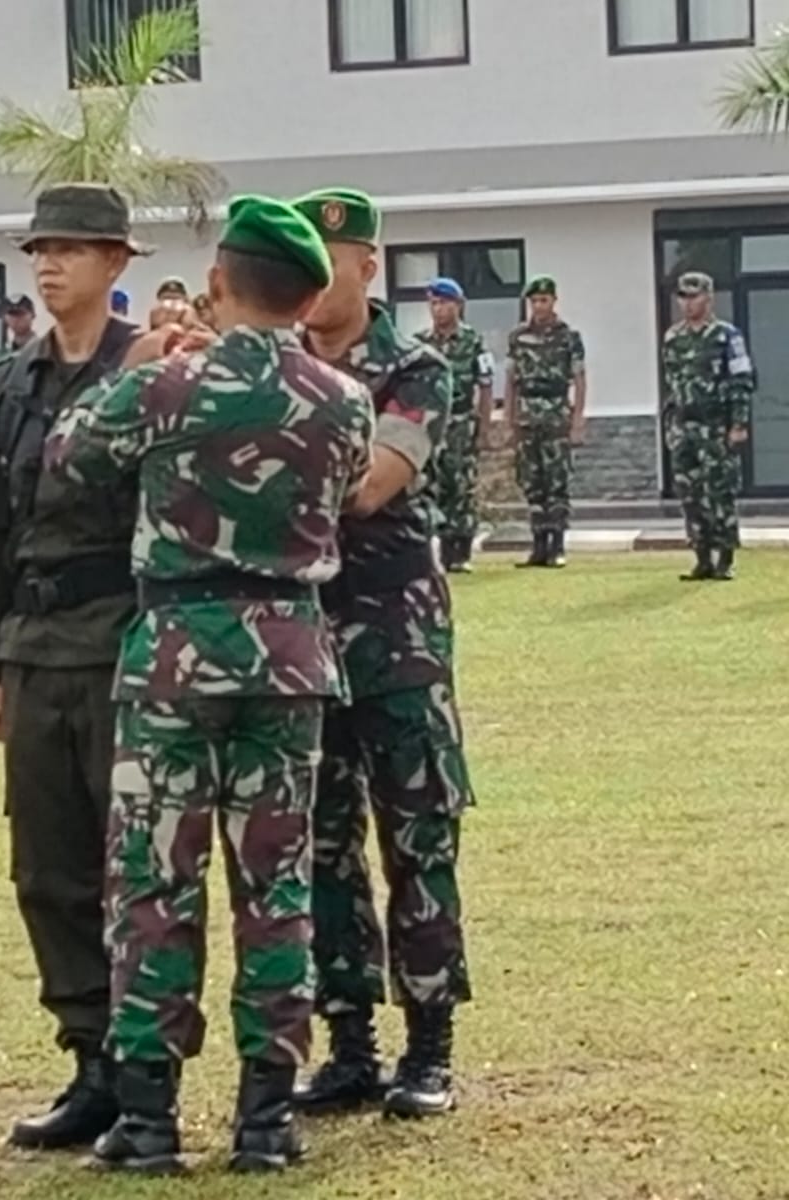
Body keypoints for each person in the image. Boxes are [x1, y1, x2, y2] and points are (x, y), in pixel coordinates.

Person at [47, 195, 374, 1174]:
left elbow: (68, 458)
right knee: (275, 894)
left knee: (154, 888)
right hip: (286, 659)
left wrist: (141, 360)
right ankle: (266, 1121)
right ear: (313, 296)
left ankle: (148, 1121)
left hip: (175, 663)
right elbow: (345, 491)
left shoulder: (165, 387)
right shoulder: (343, 400)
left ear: (219, 283)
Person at [0, 183, 145, 1151]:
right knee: (46, 868)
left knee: (135, 868)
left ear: (117, 264)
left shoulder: (152, 370)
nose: (50, 264)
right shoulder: (10, 381)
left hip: (125, 648)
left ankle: (146, 1070)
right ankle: (89, 1060)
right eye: (41, 249)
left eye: (72, 249)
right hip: (34, 653)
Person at [294, 188, 474, 1120]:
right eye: (306, 264)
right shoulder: (273, 364)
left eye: (339, 261)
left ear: (371, 266)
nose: (320, 281)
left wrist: (262, 491)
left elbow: (373, 485)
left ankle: (430, 1046)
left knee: (418, 839)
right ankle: (349, 1045)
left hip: (396, 643)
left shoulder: (415, 367)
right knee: (321, 854)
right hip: (297, 649)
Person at [662, 271, 754, 582]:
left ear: (709, 298)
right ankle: (701, 556)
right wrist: (670, 427)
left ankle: (725, 557)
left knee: (720, 491)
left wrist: (738, 423)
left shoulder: (727, 336)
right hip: (684, 427)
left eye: (694, 296)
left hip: (715, 426)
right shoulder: (673, 338)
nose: (688, 303)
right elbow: (671, 384)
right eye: (683, 297)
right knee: (690, 494)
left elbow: (741, 382)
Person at [505, 276, 586, 569]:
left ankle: (558, 545)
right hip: (527, 415)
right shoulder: (518, 337)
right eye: (534, 301)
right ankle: (538, 545)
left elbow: (579, 378)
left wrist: (577, 419)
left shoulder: (568, 336)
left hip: (556, 413)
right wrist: (510, 420)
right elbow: (512, 380)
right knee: (532, 483)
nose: (538, 306)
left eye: (544, 300)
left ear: (553, 301)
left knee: (557, 482)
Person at [415, 279, 494, 573]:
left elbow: (485, 386)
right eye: (433, 304)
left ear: (458, 305)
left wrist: (484, 427)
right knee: (432, 485)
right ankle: (436, 548)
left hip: (462, 421)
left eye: (444, 303)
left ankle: (460, 551)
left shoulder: (473, 342)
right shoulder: (420, 343)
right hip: (430, 424)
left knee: (461, 485)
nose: (438, 310)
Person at [0, 293, 39, 374]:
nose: (16, 319)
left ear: (32, 315)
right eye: (12, 314)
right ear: (5, 317)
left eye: (21, 314)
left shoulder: (43, 351)